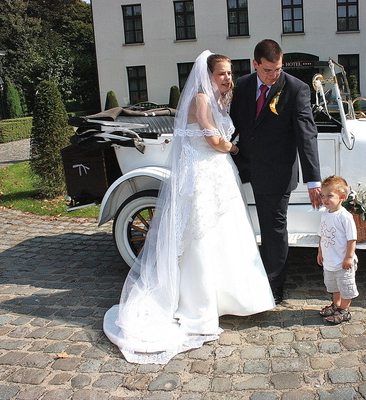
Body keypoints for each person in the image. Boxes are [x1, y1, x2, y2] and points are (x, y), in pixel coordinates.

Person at [103, 50, 275, 364]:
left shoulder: (217, 100)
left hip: (219, 173)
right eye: (221, 73)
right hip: (205, 172)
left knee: (225, 232)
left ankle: (231, 297)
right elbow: (212, 138)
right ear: (207, 75)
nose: (227, 78)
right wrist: (235, 147)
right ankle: (201, 303)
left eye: (229, 73)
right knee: (202, 234)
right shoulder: (201, 100)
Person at [230, 39, 322, 303]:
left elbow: (307, 135)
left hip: (276, 171)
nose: (273, 76)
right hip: (241, 163)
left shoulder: (296, 89)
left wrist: (313, 179)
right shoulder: (243, 85)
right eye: (267, 70)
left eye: (278, 70)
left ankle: (274, 285)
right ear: (255, 64)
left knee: (273, 228)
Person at [317, 175, 358, 324]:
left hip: (342, 261)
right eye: (323, 195)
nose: (325, 199)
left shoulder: (345, 217)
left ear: (342, 197)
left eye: (329, 196)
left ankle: (344, 311)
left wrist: (348, 257)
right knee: (334, 286)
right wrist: (320, 252)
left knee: (346, 286)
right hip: (329, 260)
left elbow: (351, 239)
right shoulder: (324, 215)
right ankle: (336, 305)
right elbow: (321, 235)